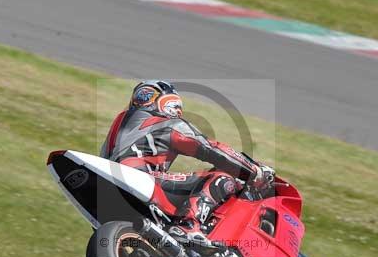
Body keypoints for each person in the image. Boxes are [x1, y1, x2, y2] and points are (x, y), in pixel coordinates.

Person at [100, 80, 267, 243]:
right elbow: (211, 149)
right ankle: (188, 225)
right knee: (222, 177)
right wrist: (254, 170)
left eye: (146, 96)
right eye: (143, 97)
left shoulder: (121, 123)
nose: (143, 101)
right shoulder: (167, 123)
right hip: (140, 178)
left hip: (107, 190)